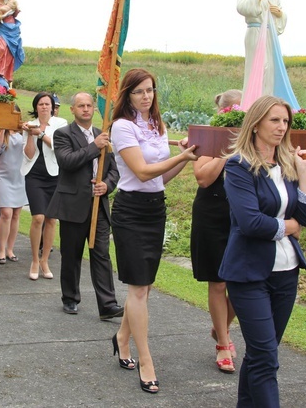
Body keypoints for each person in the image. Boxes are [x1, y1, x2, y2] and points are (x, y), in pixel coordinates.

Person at [219, 95, 306, 407]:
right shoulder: (238, 167)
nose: (281, 127)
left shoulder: (287, 165)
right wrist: (288, 227)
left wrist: (304, 175)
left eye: (285, 121)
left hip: (286, 274)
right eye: (274, 120)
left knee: (263, 352)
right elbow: (249, 222)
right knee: (266, 358)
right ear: (256, 124)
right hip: (249, 274)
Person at [109, 69, 199, 394]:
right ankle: (146, 361)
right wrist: (182, 154)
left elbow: (160, 180)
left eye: (150, 90)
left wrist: (188, 160)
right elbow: (143, 172)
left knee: (143, 287)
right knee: (137, 288)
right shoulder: (122, 127)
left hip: (155, 210)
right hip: (130, 211)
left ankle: (121, 337)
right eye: (139, 92)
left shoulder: (156, 125)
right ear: (128, 95)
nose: (146, 96)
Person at [46, 92, 124, 321]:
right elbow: (67, 162)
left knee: (101, 254)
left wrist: (106, 185)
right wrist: (93, 146)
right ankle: (70, 297)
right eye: (81, 106)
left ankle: (108, 304)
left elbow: (114, 169)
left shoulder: (103, 135)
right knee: (71, 254)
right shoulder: (62, 135)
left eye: (89, 105)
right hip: (72, 205)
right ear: (73, 109)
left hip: (98, 204)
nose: (86, 109)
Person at [190, 88, 242, 374]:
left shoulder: (254, 140)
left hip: (242, 217)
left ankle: (220, 327)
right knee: (218, 282)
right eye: (234, 112)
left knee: (240, 283)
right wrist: (228, 149)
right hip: (212, 213)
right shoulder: (208, 138)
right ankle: (223, 342)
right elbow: (203, 178)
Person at [237, 0, 298, 110]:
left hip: (270, 37)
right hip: (256, 34)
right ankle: (253, 105)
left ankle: (266, 103)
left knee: (270, 70)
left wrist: (280, 14)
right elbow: (242, 7)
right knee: (259, 68)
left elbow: (280, 20)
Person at [21, 92, 67, 281]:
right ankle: (34, 259)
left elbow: (58, 147)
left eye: (47, 104)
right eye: (40, 104)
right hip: (34, 175)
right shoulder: (29, 125)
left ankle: (45, 260)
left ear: (53, 107)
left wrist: (40, 133)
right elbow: (28, 154)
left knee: (51, 219)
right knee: (38, 217)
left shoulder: (61, 124)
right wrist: (31, 135)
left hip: (55, 174)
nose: (44, 107)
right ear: (36, 107)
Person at [0, 125, 27, 264]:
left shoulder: (23, 130)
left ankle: (10, 249)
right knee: (6, 213)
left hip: (19, 175)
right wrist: (2, 130)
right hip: (2, 175)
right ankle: (1, 250)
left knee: (16, 213)